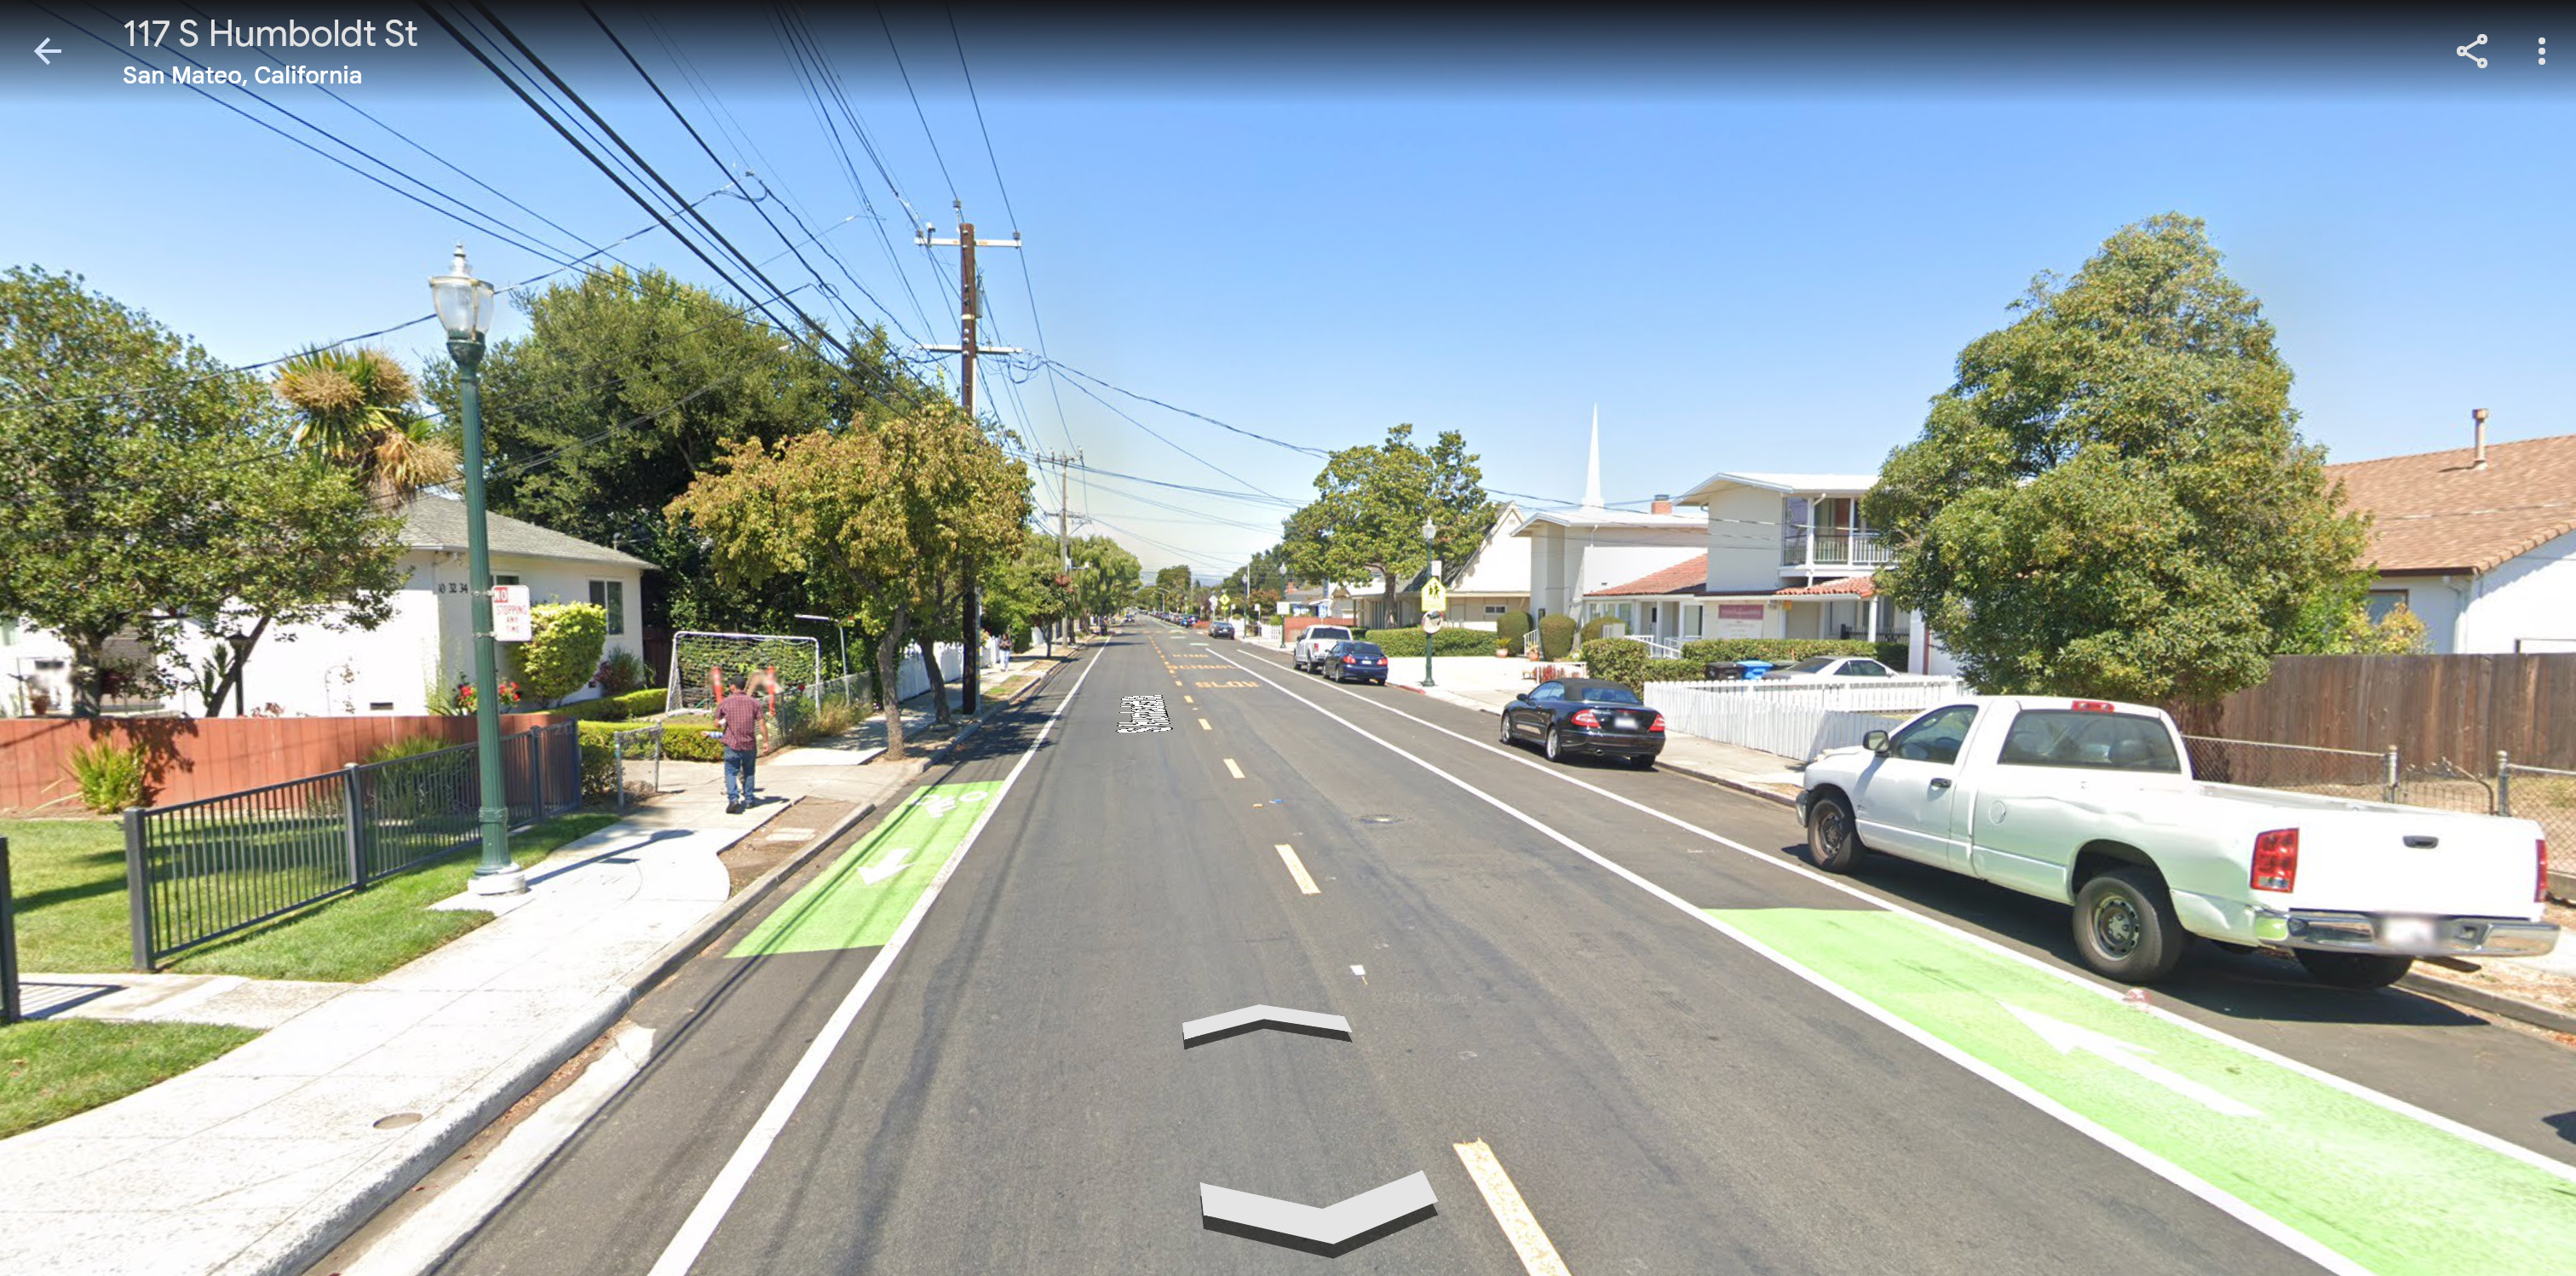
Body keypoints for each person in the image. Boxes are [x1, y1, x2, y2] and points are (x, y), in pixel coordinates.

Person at [714, 673, 768, 814]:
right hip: (750, 744)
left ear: (732, 687)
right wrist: (766, 742)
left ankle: (733, 799)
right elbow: (762, 723)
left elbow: (717, 724)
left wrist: (722, 722)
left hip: (732, 744)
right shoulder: (754, 702)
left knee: (731, 772)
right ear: (743, 687)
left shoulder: (725, 702)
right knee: (749, 772)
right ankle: (749, 800)